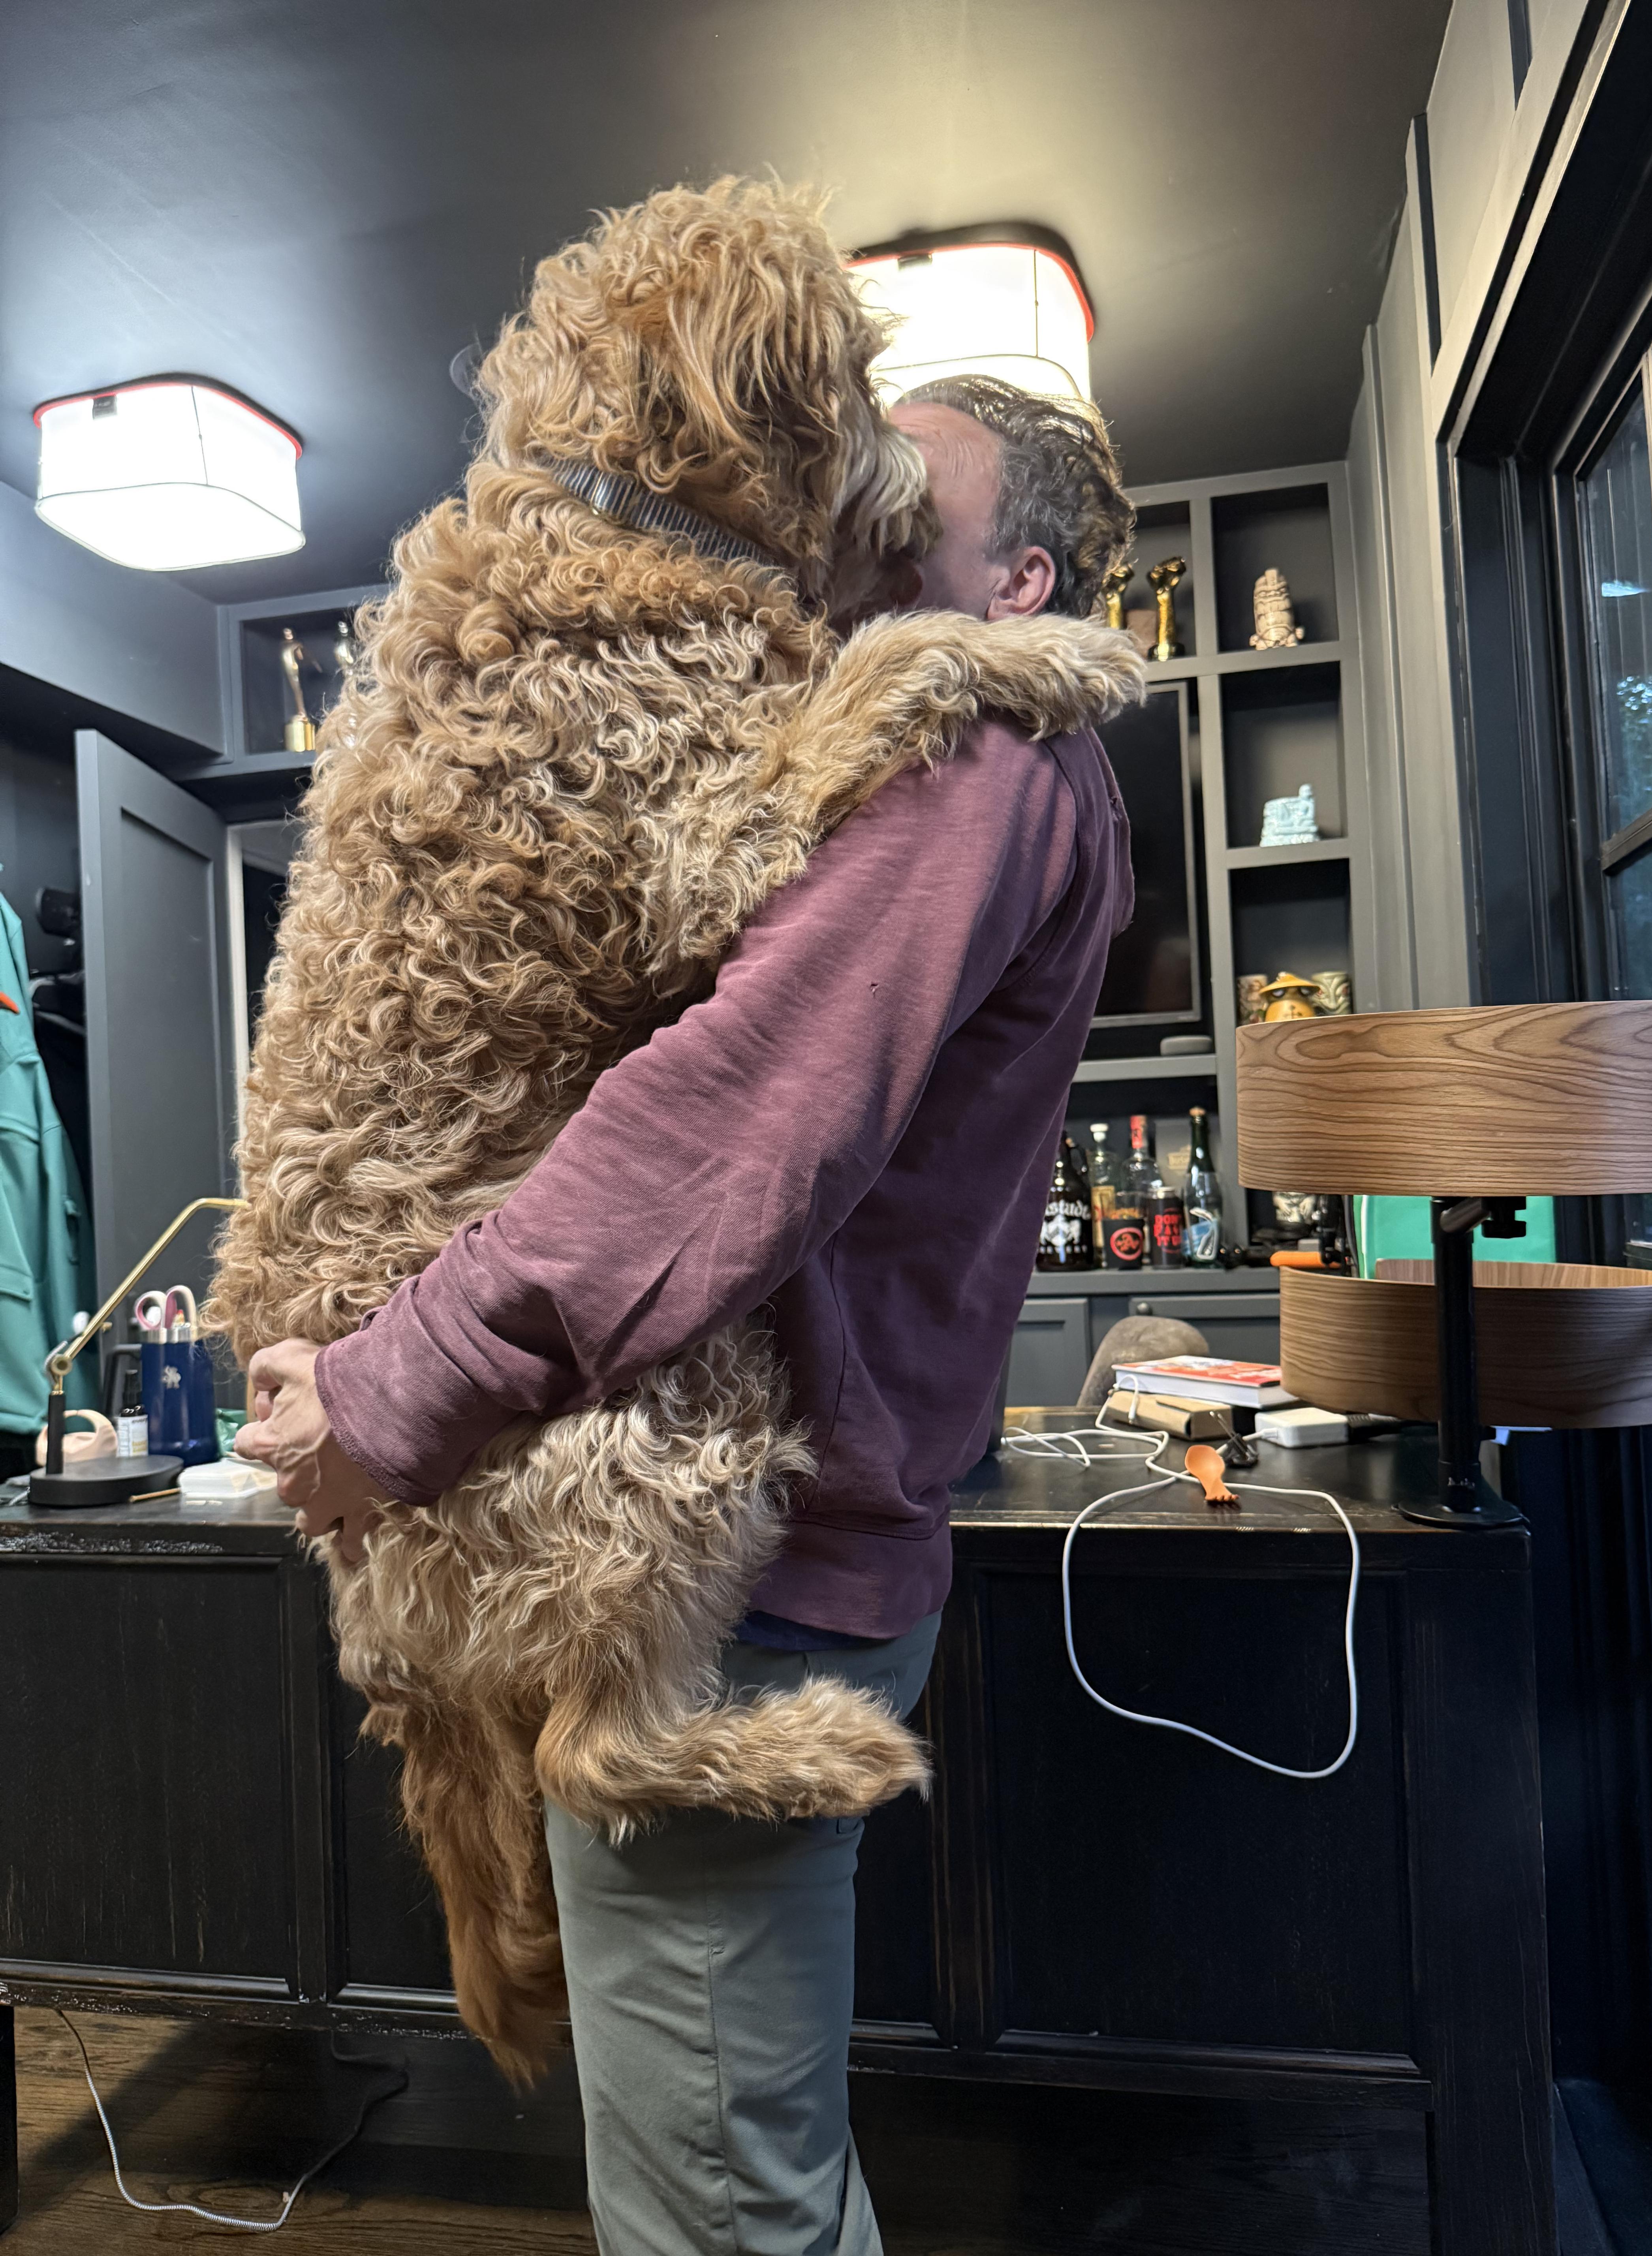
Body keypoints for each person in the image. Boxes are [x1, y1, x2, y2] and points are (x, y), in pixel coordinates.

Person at [238, 373, 1136, 2256]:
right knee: (762, 2171)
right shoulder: (1005, 769)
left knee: (720, 2211)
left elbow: (736, 1117)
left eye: (909, 522)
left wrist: (395, 1387)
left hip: (728, 1581)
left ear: (1024, 588)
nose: (849, 532)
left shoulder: (977, 758)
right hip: (785, 1546)